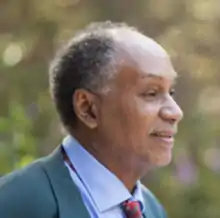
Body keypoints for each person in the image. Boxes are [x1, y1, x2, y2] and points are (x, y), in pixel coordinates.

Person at [0, 21, 183, 218]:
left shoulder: (152, 209)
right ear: (87, 109)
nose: (175, 112)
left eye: (171, 92)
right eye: (151, 93)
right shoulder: (16, 204)